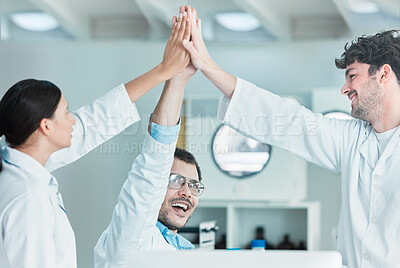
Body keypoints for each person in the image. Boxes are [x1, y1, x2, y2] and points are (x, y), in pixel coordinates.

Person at [182, 5, 400, 268]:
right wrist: (207, 65)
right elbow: (286, 119)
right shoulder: (352, 139)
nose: (345, 89)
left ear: (383, 74)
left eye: (352, 76)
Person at [0, 10, 191, 268]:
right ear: (45, 126)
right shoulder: (27, 199)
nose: (73, 120)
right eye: (66, 113)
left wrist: (165, 71)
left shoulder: (22, 162)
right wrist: (168, 73)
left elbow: (95, 119)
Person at [94, 13, 203, 266]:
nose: (187, 192)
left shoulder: (183, 250)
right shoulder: (133, 236)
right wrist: (176, 78)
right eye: (176, 180)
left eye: (194, 185)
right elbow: (154, 160)